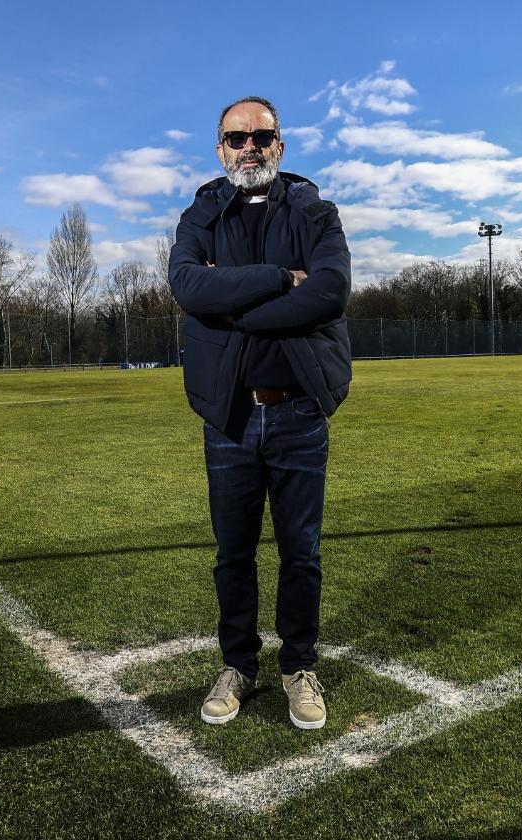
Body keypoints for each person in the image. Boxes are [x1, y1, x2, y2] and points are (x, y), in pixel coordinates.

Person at [168, 96, 352, 730]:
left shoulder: (314, 211)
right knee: (233, 552)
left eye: (262, 136)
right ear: (220, 148)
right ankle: (238, 665)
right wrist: (279, 279)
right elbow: (188, 286)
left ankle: (299, 666)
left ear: (280, 144)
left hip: (300, 411)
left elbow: (329, 292)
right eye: (235, 138)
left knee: (301, 553)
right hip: (231, 417)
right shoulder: (202, 213)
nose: (249, 147)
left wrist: (232, 312)